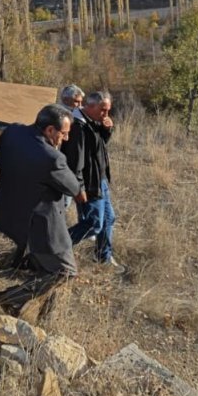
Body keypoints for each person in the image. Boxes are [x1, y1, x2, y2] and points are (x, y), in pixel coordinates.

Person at [0, 104, 81, 317]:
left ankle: (45, 316)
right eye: (64, 134)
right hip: (42, 225)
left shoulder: (12, 132)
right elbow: (73, 187)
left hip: (13, 215)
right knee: (65, 272)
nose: (66, 139)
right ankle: (11, 297)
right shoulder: (52, 158)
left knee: (46, 268)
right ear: (50, 130)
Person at [63, 90, 123, 272]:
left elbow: (99, 146)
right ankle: (52, 247)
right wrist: (78, 189)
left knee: (108, 219)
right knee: (93, 224)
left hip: (100, 179)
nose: (106, 114)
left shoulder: (92, 121)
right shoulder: (78, 127)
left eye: (108, 110)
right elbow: (74, 164)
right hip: (89, 184)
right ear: (89, 106)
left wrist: (107, 130)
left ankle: (103, 258)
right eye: (102, 110)